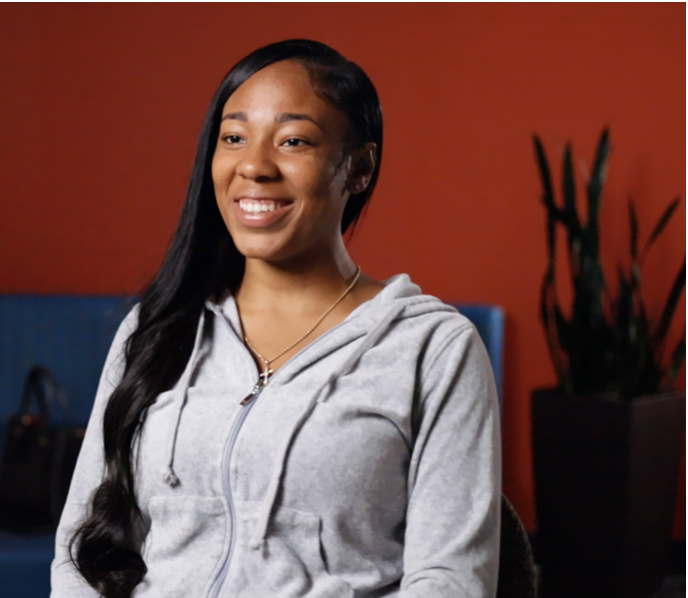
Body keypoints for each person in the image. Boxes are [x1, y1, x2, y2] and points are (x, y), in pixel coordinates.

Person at [51, 39, 501, 598]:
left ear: (359, 167)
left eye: (293, 141)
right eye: (234, 138)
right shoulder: (157, 327)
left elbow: (451, 581)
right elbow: (81, 551)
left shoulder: (433, 348)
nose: (255, 166)